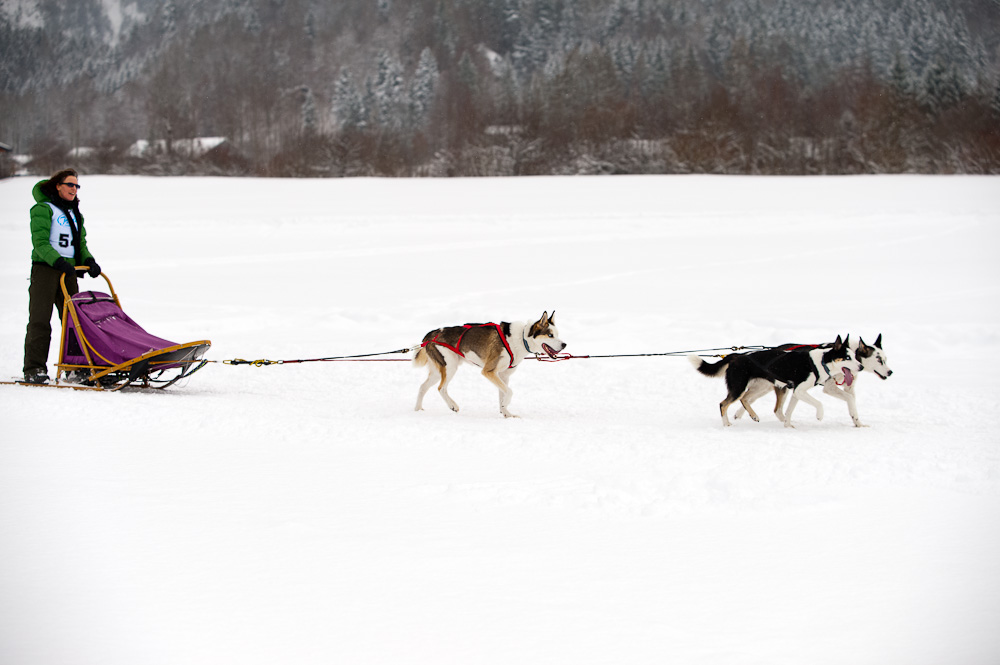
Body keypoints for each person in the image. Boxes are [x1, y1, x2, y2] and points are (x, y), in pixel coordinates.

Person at [22, 169, 101, 384]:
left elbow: (80, 244)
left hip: (69, 271)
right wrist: (57, 261)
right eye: (69, 184)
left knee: (73, 322)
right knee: (40, 320)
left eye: (77, 186)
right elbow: (40, 243)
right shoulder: (43, 209)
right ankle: (34, 368)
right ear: (58, 186)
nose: (74, 189)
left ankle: (75, 368)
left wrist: (90, 261)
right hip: (45, 268)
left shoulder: (76, 214)